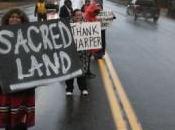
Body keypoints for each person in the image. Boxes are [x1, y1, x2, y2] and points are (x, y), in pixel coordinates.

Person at [0, 8, 35, 130]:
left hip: (24, 83)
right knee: (7, 114)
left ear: (22, 20)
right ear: (7, 19)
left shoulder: (29, 36)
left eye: (17, 17)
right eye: (12, 16)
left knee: (21, 118)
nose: (14, 19)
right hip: (6, 82)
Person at [65, 9, 89, 96]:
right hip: (71, 52)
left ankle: (83, 88)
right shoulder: (68, 25)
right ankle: (69, 89)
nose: (79, 17)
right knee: (70, 71)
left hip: (83, 53)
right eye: (77, 15)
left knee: (81, 71)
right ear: (73, 16)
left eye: (80, 15)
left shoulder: (86, 25)